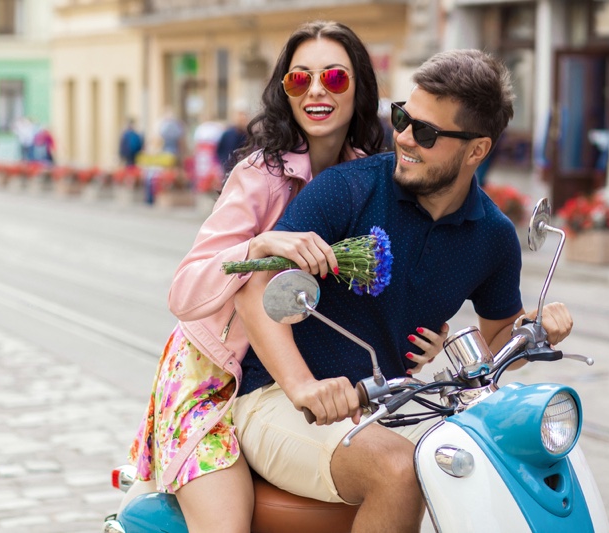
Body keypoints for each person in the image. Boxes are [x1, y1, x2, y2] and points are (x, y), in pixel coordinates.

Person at [232, 48, 574, 533]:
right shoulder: (347, 190)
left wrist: (536, 328)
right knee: (399, 470)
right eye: (402, 118)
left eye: (427, 132)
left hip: (381, 409)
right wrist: (304, 388)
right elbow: (254, 292)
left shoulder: (493, 237)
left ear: (476, 149)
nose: (405, 138)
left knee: (478, 463)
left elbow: (501, 342)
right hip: (276, 400)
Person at [125, 21, 435, 533]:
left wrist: (425, 332)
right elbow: (184, 290)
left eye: (334, 78)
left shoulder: (365, 177)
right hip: (216, 384)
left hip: (301, 385)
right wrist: (260, 244)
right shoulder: (261, 175)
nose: (316, 91)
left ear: (359, 86)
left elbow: (382, 280)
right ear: (284, 91)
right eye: (299, 80)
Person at [216, 108, 249, 175]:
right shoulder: (228, 134)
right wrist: (223, 162)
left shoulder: (247, 135)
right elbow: (220, 150)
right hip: (228, 167)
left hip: (242, 168)